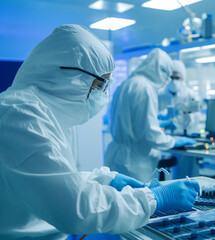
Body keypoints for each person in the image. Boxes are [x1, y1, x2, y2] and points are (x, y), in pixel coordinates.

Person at [0, 24, 199, 240]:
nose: (101, 94)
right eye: (99, 84)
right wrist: (154, 198)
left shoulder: (47, 112)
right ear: (73, 77)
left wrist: (104, 179)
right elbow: (75, 208)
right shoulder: (22, 116)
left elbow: (56, 178)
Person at [104, 49, 196, 182]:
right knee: (137, 200)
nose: (167, 80)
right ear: (159, 70)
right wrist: (174, 141)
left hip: (117, 155)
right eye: (167, 75)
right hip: (135, 162)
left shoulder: (127, 84)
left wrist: (159, 124)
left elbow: (131, 121)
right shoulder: (146, 88)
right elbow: (151, 135)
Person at [158, 60, 202, 136]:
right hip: (164, 137)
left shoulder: (191, 95)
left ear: (183, 78)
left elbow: (197, 118)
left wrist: (188, 117)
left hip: (185, 135)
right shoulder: (159, 94)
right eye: (171, 77)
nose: (174, 81)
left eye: (177, 78)